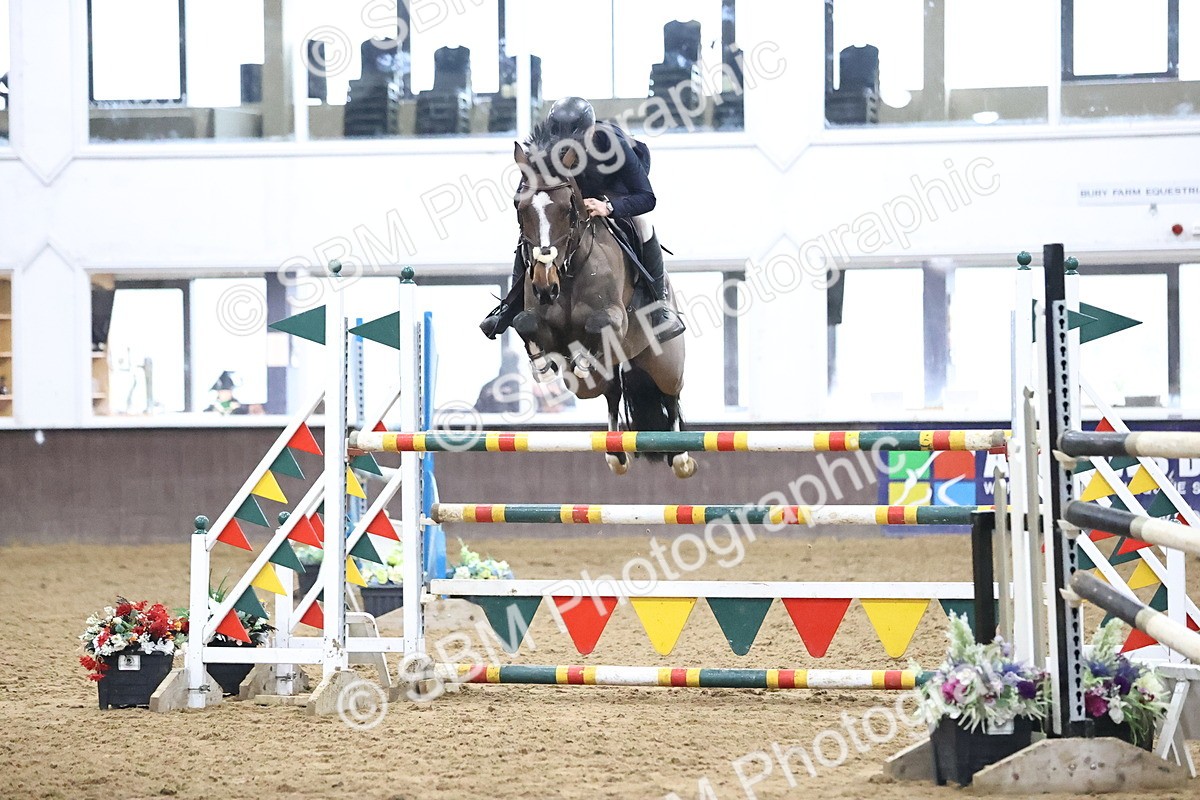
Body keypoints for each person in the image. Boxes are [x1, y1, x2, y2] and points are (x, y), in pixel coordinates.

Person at [480, 96, 685, 343]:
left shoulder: (613, 144)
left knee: (643, 226)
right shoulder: (546, 149)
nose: (568, 151)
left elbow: (647, 198)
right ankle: (510, 306)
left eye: (575, 143)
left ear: (591, 132)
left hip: (616, 188)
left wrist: (608, 206)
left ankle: (660, 306)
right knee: (535, 233)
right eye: (562, 144)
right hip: (571, 196)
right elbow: (526, 192)